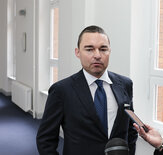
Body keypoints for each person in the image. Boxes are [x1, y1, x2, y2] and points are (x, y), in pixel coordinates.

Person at [36, 25, 138, 155]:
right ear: (77, 52)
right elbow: (45, 140)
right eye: (89, 49)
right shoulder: (61, 90)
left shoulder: (125, 84)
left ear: (109, 51)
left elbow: (131, 129)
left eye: (103, 49)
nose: (97, 55)